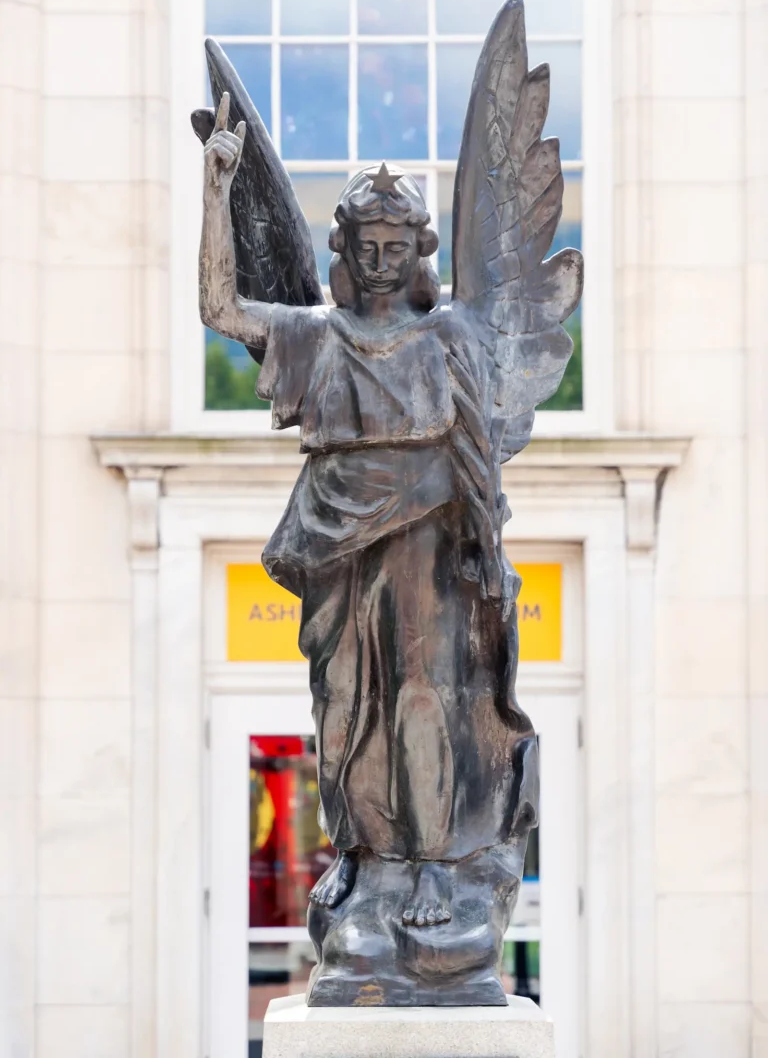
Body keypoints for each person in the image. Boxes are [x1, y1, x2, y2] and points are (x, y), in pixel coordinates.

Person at [200, 94, 536, 929]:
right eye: (366, 247)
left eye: (396, 248)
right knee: (343, 701)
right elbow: (221, 311)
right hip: (333, 533)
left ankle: (431, 866)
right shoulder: (316, 336)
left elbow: (474, 446)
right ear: (343, 249)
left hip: (422, 531)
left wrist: (484, 543)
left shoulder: (448, 336)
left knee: (423, 696)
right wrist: (217, 193)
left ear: (417, 253)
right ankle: (358, 853)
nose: (381, 262)